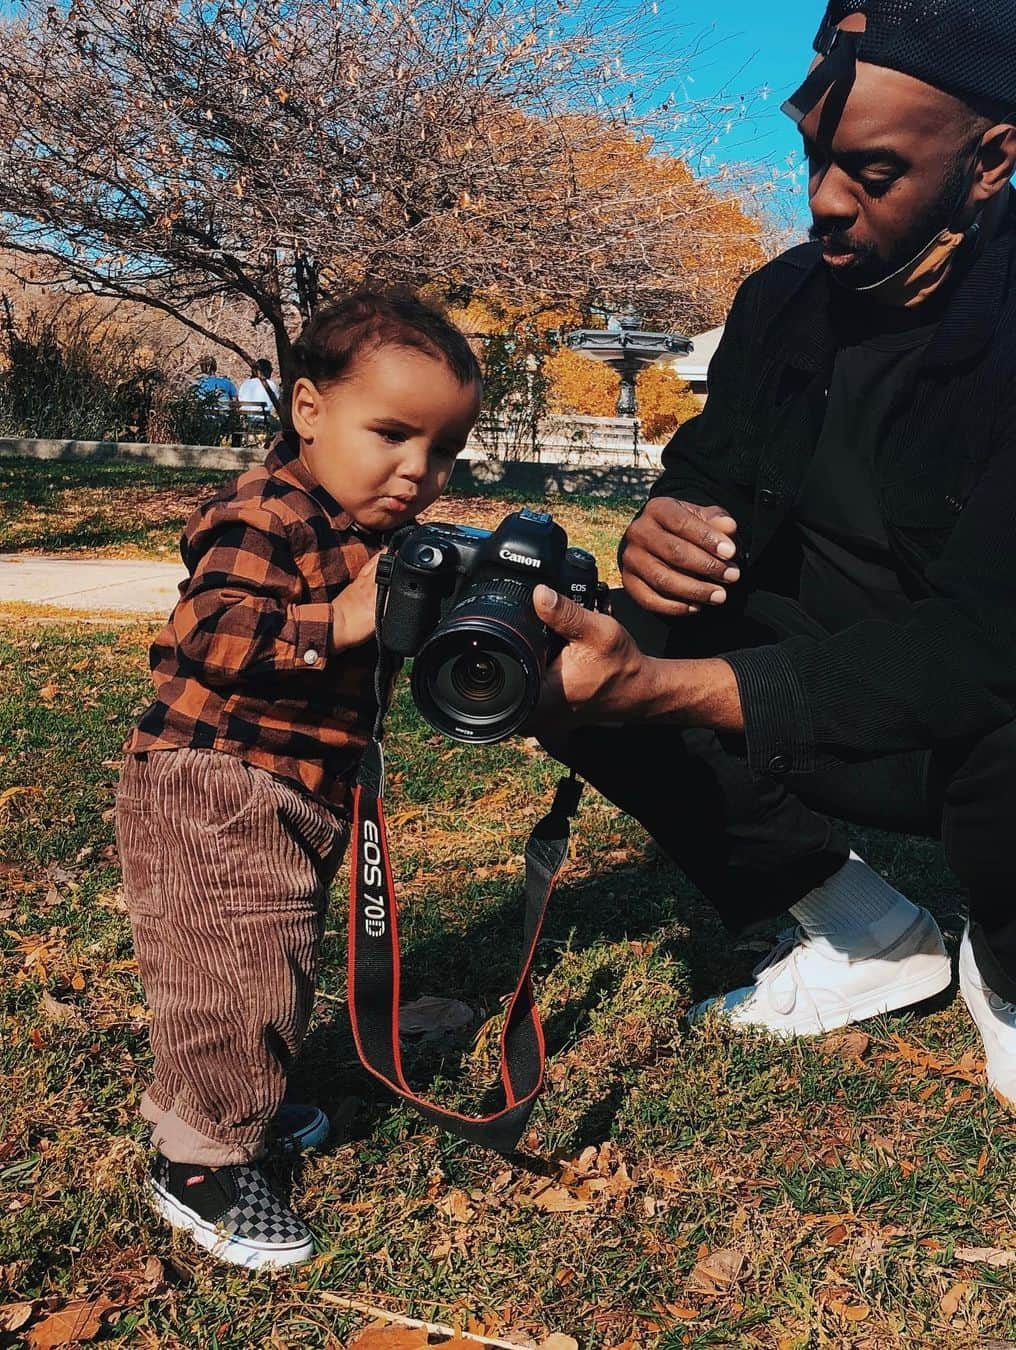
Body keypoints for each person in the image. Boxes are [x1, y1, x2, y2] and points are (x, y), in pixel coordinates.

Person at [531, 0, 1016, 1109]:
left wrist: (670, 687)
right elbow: (708, 467)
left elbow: (988, 640)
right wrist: (663, 530)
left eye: (874, 172)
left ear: (992, 160)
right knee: (557, 652)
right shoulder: (782, 300)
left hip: (987, 716)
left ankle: (1011, 969)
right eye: (813, 160)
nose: (823, 203)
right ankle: (862, 934)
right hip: (838, 698)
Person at [115, 292, 482, 1267]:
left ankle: (210, 1108)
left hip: (293, 787)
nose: (417, 471)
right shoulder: (263, 514)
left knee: (260, 971)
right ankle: (201, 1165)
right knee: (241, 979)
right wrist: (349, 619)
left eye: (442, 451)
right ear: (309, 411)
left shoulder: (373, 532)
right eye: (392, 433)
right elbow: (210, 635)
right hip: (213, 788)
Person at [237, 357, 281, 427]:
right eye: (270, 370)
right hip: (264, 420)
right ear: (266, 371)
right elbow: (277, 404)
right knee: (281, 427)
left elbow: (240, 399)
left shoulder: (245, 384)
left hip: (246, 420)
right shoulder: (271, 385)